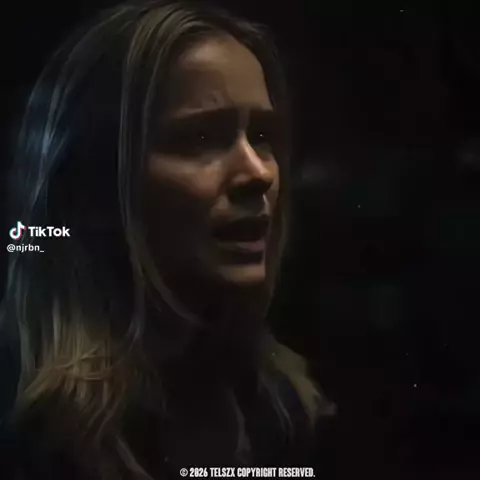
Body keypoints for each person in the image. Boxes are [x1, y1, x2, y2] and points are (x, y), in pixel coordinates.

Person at [0, 1, 332, 478]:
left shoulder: (278, 406)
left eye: (261, 135)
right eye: (201, 138)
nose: (258, 173)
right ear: (95, 180)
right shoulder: (28, 429)